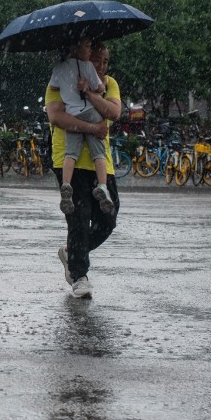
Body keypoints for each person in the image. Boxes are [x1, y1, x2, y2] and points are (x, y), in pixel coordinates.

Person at [45, 42, 122, 298]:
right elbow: (57, 117)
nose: (101, 66)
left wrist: (90, 95)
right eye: (97, 59)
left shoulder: (109, 84)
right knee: (78, 217)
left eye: (105, 61)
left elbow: (113, 112)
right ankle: (79, 276)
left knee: (107, 220)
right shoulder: (62, 80)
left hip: (102, 164)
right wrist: (92, 127)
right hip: (70, 161)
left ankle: (72, 253)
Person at [48, 37, 113, 216]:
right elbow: (100, 89)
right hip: (91, 114)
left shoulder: (58, 68)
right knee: (99, 154)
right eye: (87, 47)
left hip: (72, 115)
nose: (90, 50)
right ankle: (103, 186)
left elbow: (53, 86)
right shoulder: (87, 67)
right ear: (75, 48)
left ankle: (66, 184)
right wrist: (94, 87)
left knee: (70, 154)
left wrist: (65, 84)